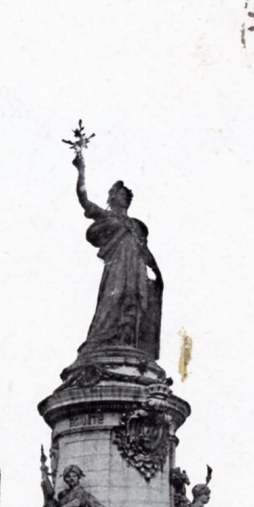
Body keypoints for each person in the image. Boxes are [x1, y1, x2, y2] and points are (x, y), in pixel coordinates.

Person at [73, 150, 163, 359]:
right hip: (116, 266)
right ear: (114, 197)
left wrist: (157, 271)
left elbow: (145, 251)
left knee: (134, 301)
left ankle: (127, 343)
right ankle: (103, 340)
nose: (126, 198)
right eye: (122, 194)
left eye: (127, 196)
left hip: (136, 267)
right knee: (112, 299)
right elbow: (83, 199)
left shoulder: (135, 225)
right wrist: (81, 171)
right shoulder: (106, 216)